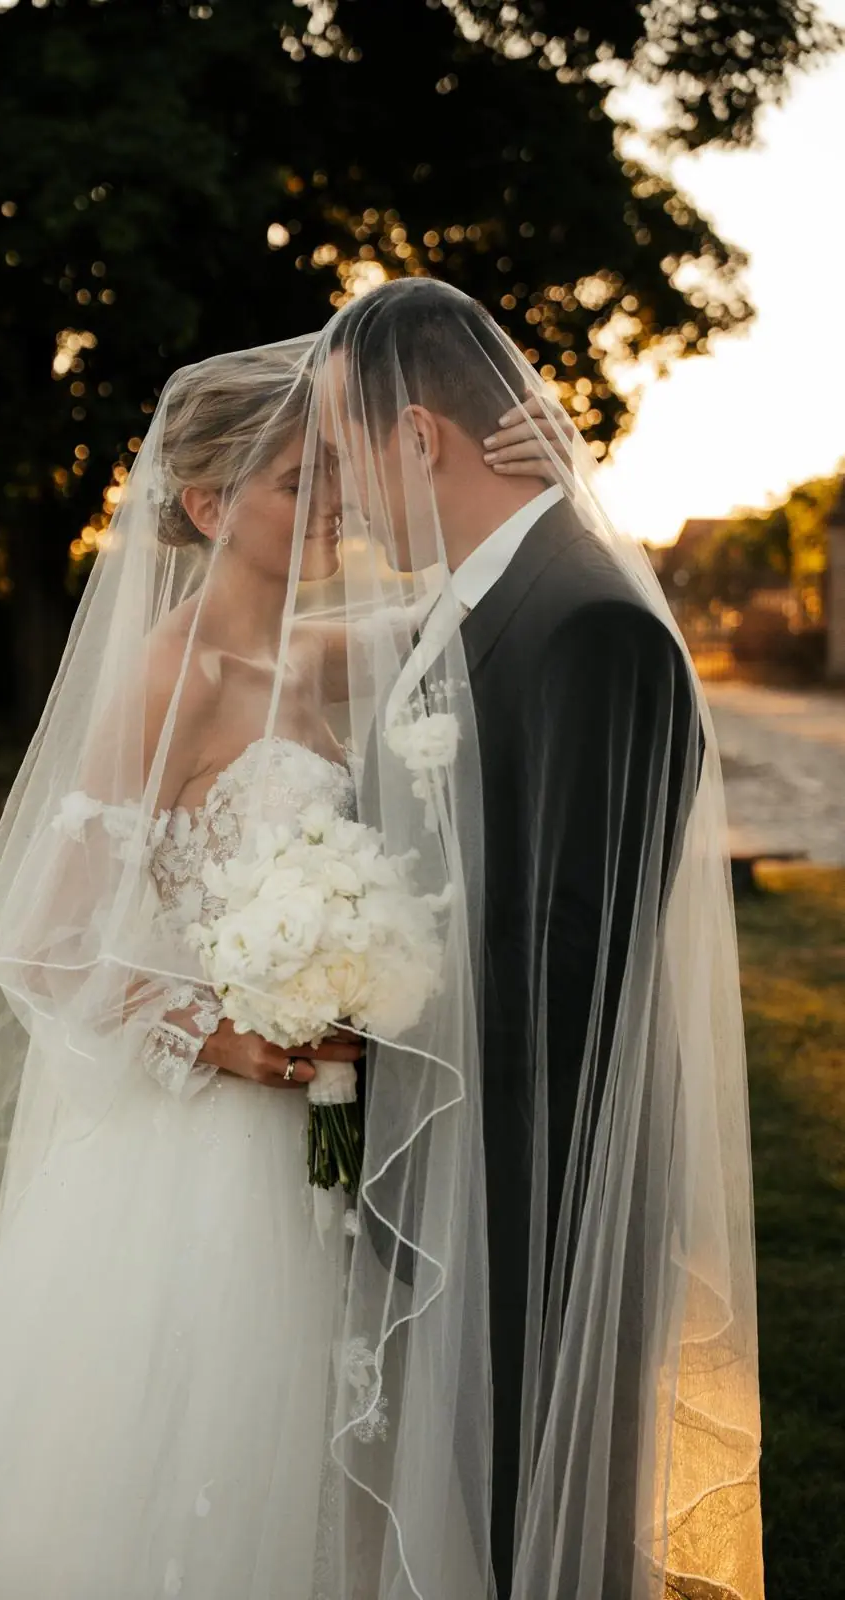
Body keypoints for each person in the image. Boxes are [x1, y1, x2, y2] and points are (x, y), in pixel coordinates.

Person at [0, 332, 557, 1600]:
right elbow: (43, 937)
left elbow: (484, 583)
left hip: (344, 1125)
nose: (343, 500)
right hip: (207, 1152)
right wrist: (223, 1031)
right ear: (206, 505)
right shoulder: (171, 677)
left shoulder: (334, 649)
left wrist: (537, 475)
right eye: (302, 479)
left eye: (338, 470)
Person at [313, 277, 764, 1600]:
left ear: (416, 436)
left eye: (346, 449)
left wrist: (368, 1015)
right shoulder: (480, 602)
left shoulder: (589, 625)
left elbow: (573, 972)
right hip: (451, 1169)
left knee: (527, 1536)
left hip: (533, 1198)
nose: (341, 492)